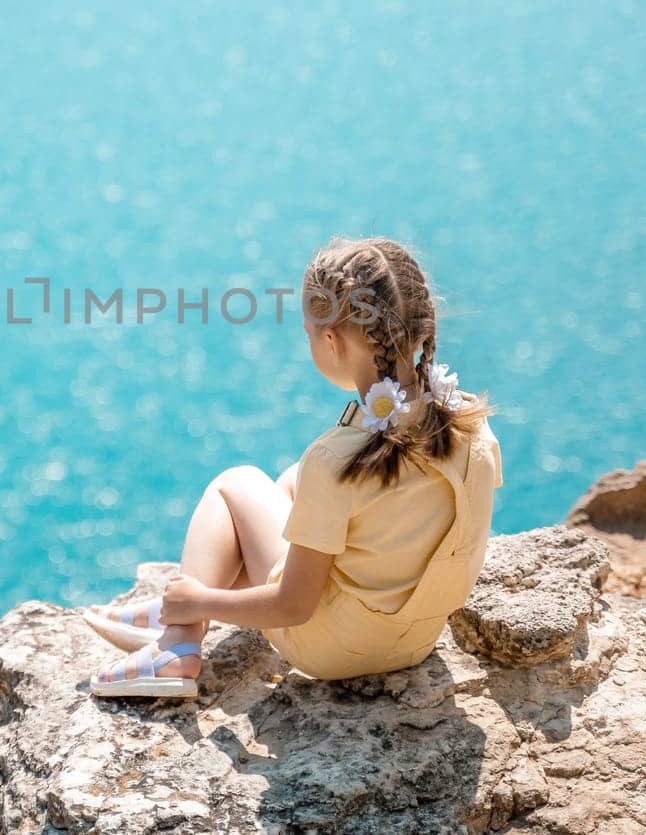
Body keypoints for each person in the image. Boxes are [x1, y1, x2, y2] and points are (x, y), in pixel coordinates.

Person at [82, 235, 503, 698]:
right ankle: (174, 614)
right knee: (289, 484)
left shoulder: (337, 459)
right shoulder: (471, 430)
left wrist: (202, 600)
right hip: (415, 638)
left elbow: (294, 605)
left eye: (308, 332)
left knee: (236, 484)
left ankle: (178, 636)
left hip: (334, 650)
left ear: (331, 339)